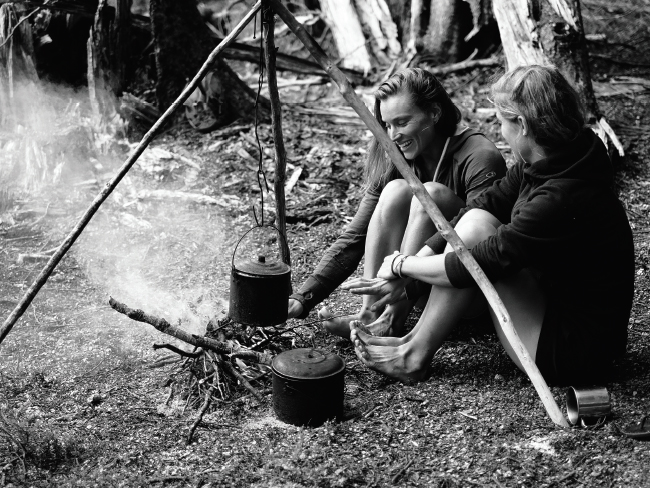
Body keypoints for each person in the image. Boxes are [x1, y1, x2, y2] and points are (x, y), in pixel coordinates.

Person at [349, 64, 635, 386]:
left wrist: (404, 265)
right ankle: (410, 343)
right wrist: (424, 254)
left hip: (572, 351)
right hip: (551, 304)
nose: (500, 132)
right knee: (476, 219)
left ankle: (412, 356)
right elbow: (482, 205)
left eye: (501, 122)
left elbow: (481, 260)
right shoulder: (552, 160)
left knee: (478, 233)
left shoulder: (563, 194)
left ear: (522, 125)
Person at [286, 68, 507, 338]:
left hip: (465, 291)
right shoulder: (396, 154)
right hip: (413, 286)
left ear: (435, 113)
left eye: (402, 123)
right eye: (387, 125)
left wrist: (407, 267)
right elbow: (357, 234)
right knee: (396, 190)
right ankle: (371, 313)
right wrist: (304, 296)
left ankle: (392, 319)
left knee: (431, 194)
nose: (392, 135)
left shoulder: (479, 156)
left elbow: (482, 241)